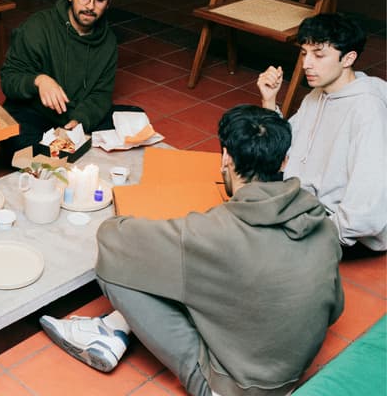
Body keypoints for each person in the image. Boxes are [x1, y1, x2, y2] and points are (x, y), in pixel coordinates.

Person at [40, 105, 344, 396]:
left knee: (123, 264)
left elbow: (111, 238)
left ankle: (112, 331)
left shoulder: (214, 232)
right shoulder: (322, 224)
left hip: (228, 388)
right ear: (284, 161)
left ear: (226, 158)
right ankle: (113, 327)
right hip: (290, 376)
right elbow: (334, 310)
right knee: (203, 274)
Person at [258, 12, 387, 252]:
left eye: (318, 55)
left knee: (253, 244)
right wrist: (269, 100)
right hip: (304, 201)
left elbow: (367, 203)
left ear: (348, 58)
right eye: (304, 53)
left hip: (340, 229)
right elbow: (282, 146)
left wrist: (324, 235)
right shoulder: (319, 93)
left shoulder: (367, 110)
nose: (306, 64)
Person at [0, 0, 143, 160]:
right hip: (34, 115)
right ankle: (64, 152)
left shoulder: (108, 42)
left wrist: (79, 121)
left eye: (99, 0)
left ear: (109, 2)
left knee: (136, 117)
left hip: (74, 117)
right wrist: (39, 81)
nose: (90, 6)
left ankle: (63, 151)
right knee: (14, 139)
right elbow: (9, 80)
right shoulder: (38, 27)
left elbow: (101, 95)